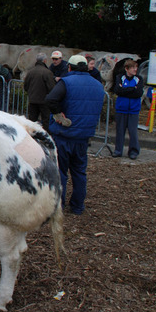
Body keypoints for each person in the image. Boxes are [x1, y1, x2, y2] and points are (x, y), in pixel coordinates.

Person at [45, 55, 104, 215]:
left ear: (69, 67)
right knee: (79, 172)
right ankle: (78, 206)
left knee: (61, 171)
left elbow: (51, 99)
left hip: (65, 134)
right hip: (83, 136)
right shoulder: (98, 85)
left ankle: (59, 205)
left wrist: (59, 116)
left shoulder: (66, 82)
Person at [112, 60, 143, 159]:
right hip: (121, 109)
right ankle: (118, 150)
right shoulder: (120, 77)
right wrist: (131, 89)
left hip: (133, 109)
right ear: (127, 69)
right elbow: (117, 90)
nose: (135, 70)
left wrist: (125, 90)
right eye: (133, 68)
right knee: (120, 131)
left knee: (133, 131)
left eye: (136, 67)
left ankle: (133, 151)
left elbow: (138, 93)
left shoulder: (139, 78)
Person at [23, 53, 55, 132]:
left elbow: (25, 86)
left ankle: (32, 137)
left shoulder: (30, 72)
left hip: (32, 100)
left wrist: (31, 93)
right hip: (44, 101)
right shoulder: (47, 72)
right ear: (45, 60)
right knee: (45, 121)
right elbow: (51, 88)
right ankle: (45, 138)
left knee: (32, 121)